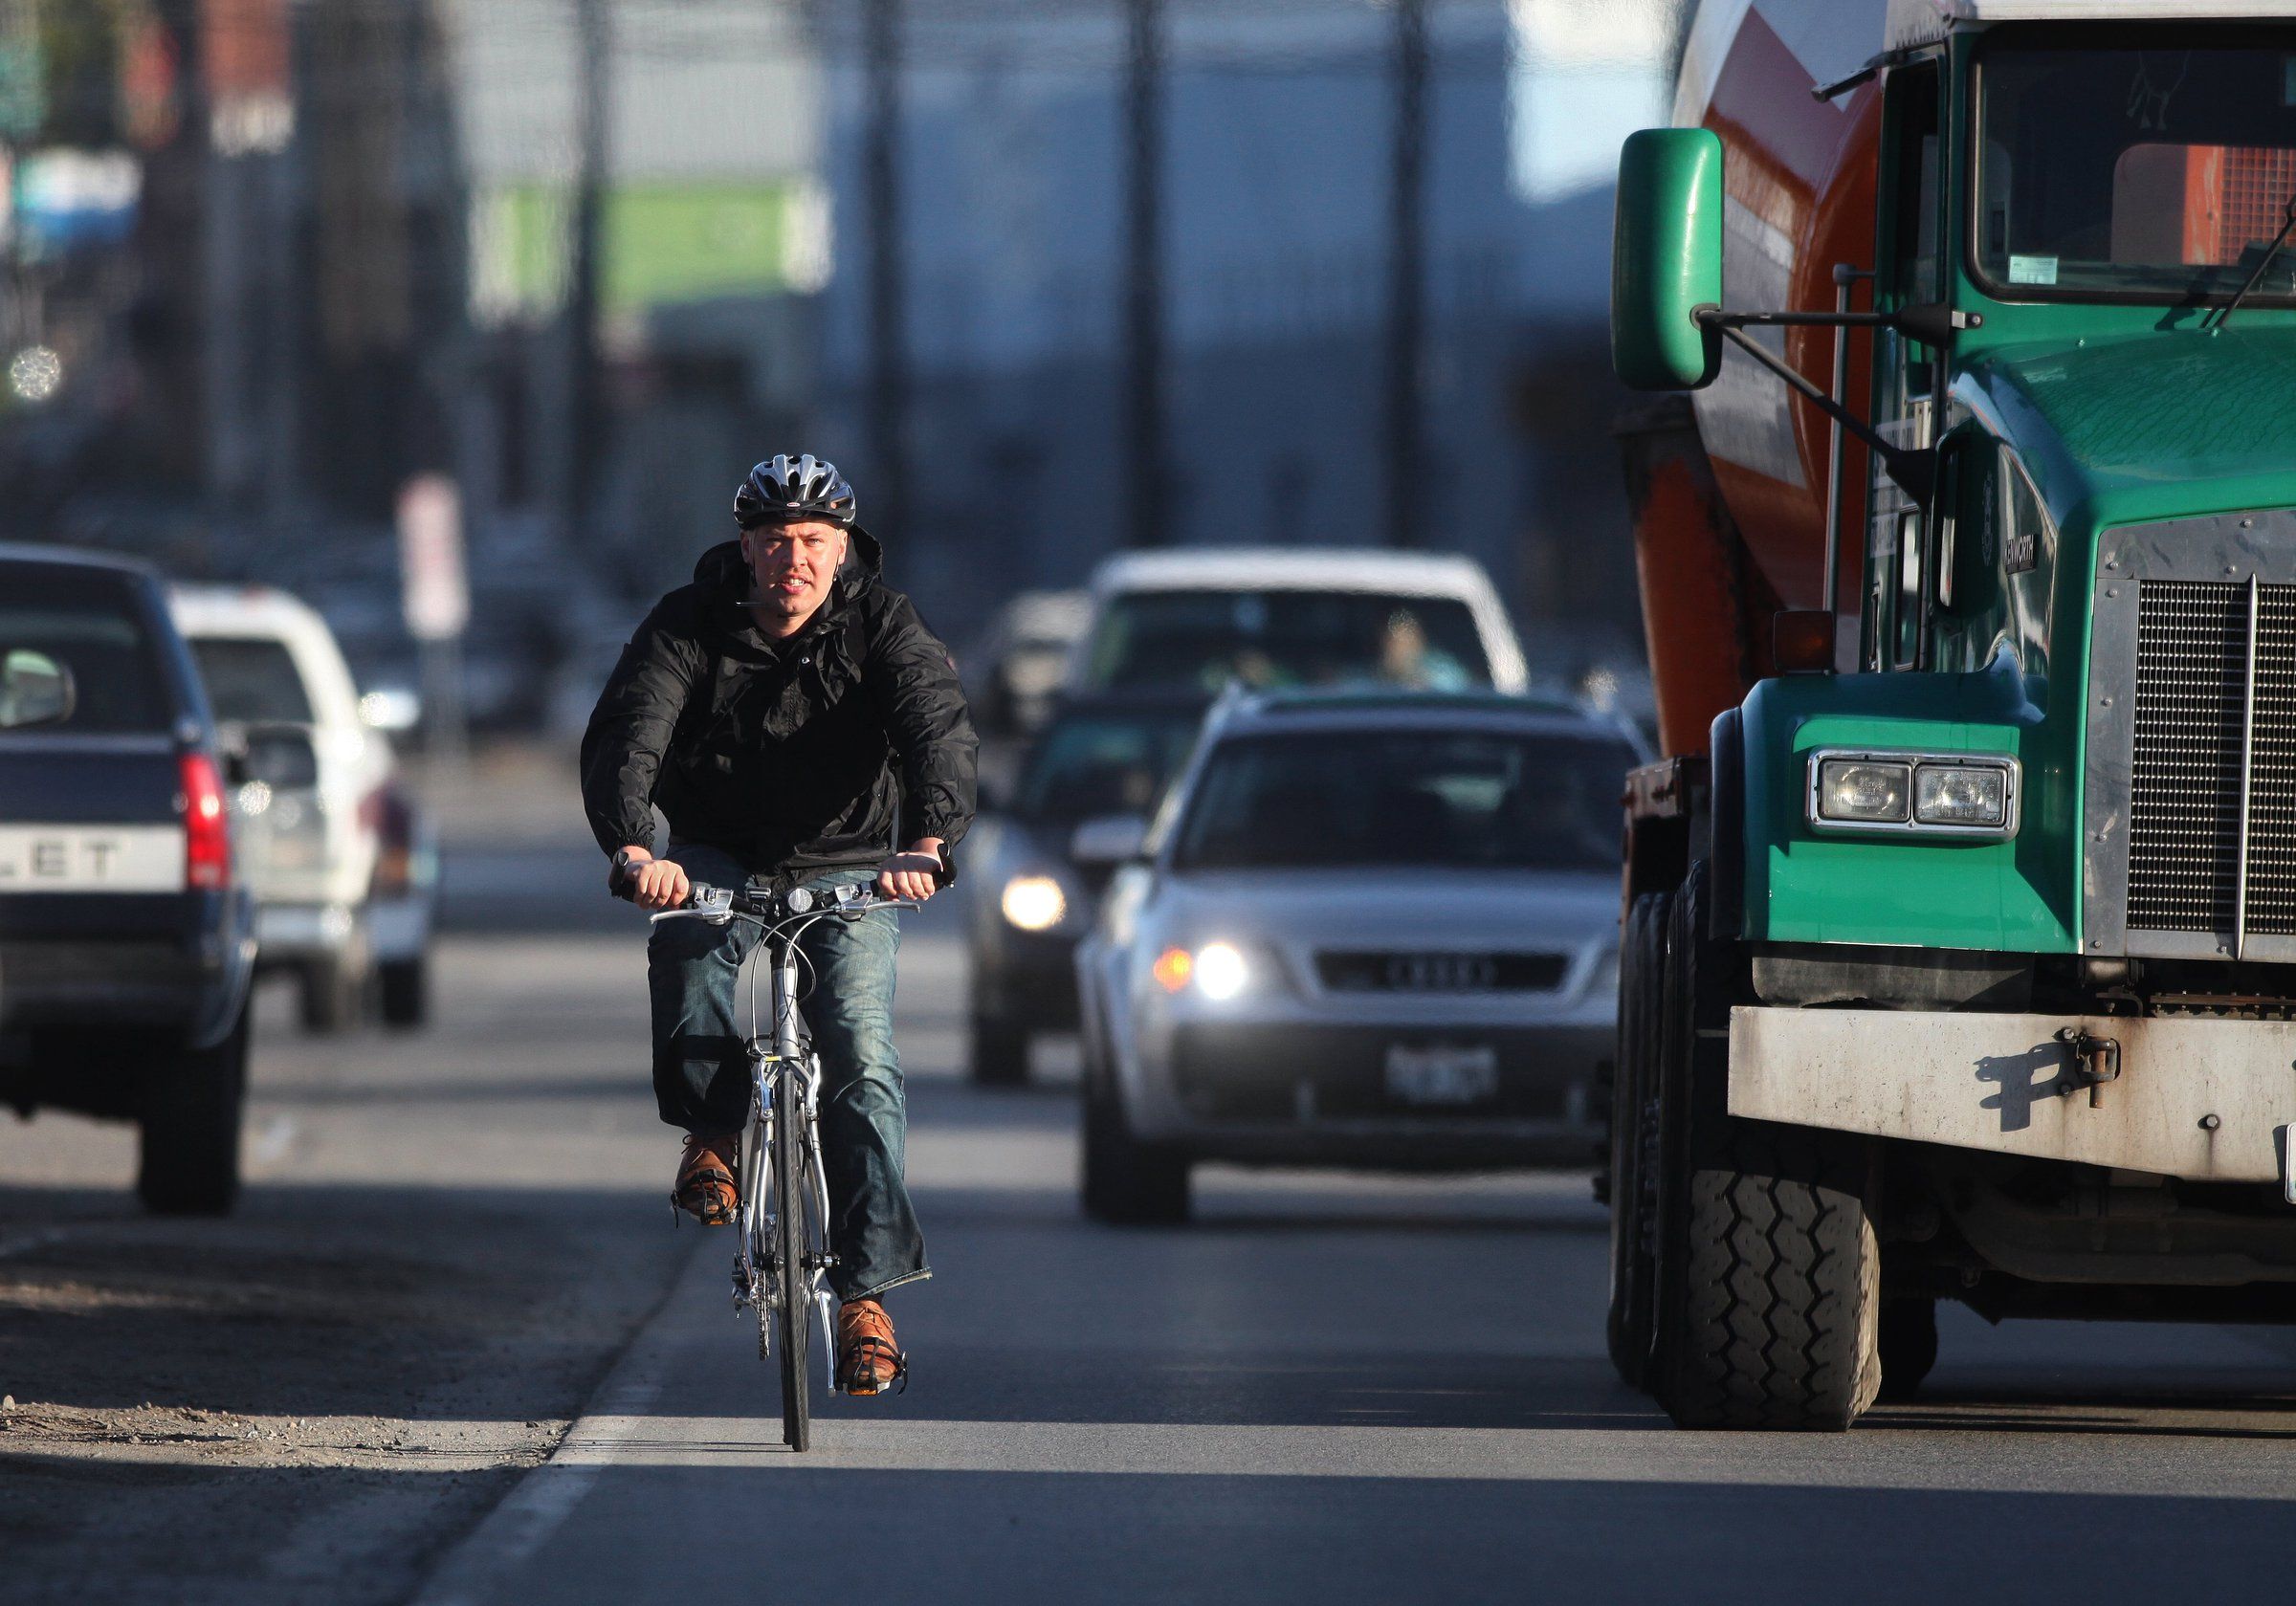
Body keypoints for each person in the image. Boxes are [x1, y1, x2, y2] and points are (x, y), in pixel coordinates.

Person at [580, 453, 977, 1397]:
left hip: (848, 860)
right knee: (688, 942)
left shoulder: (884, 623)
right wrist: (638, 850)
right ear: (745, 545)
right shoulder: (687, 621)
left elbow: (938, 728)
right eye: (773, 539)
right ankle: (712, 1131)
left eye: (811, 541)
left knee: (862, 1051)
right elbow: (630, 730)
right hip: (713, 846)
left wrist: (926, 840)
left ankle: (866, 1295)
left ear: (842, 550)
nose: (790, 558)